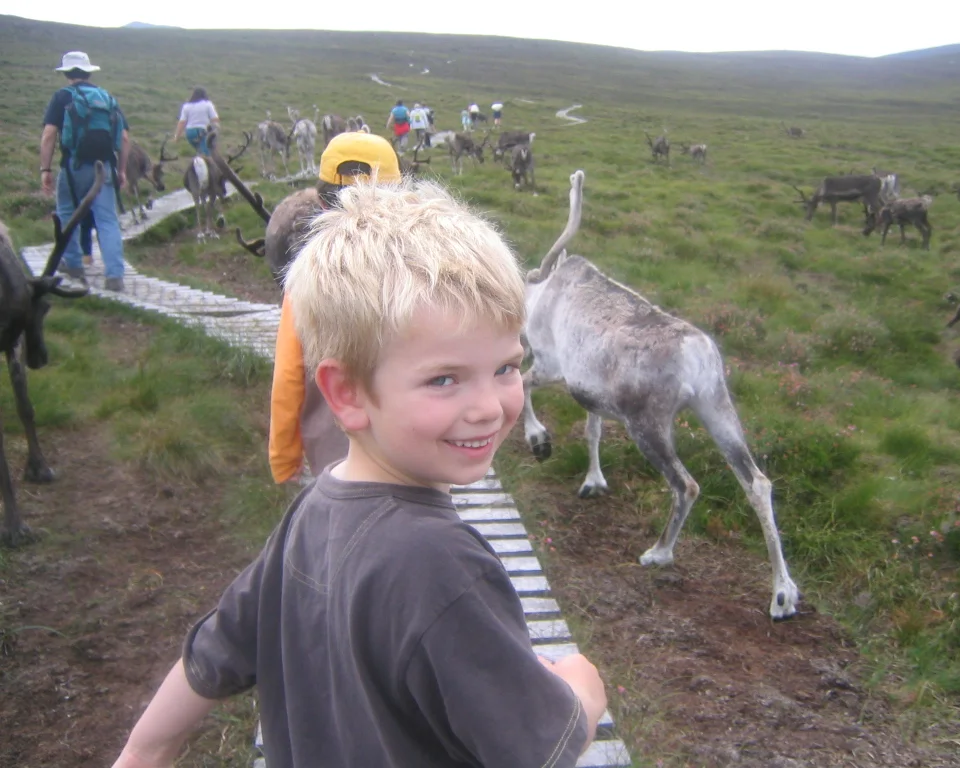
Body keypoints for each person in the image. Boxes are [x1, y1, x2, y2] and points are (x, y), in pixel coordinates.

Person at [110, 174, 608, 768]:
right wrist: (581, 690)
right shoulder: (441, 565)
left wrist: (142, 750)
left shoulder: (311, 513)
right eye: (444, 378)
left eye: (505, 367)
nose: (488, 407)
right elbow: (539, 749)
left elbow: (215, 653)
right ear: (346, 393)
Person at [269, 131, 402, 485]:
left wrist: (284, 458)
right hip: (412, 451)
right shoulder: (423, 269)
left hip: (335, 459)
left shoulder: (306, 277)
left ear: (322, 202)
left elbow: (289, 374)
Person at [39, 50, 129, 293]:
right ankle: (115, 276)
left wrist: (45, 168)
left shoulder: (62, 97)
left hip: (74, 166)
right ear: (89, 72)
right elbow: (124, 138)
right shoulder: (107, 98)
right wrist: (121, 170)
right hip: (105, 168)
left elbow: (49, 134)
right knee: (107, 220)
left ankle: (74, 265)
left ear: (67, 73)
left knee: (67, 213)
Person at [171, 86, 219, 156]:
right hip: (203, 131)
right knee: (206, 155)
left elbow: (182, 122)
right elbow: (215, 119)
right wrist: (215, 130)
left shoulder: (186, 106)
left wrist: (177, 137)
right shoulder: (208, 104)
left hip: (190, 132)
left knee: (200, 152)